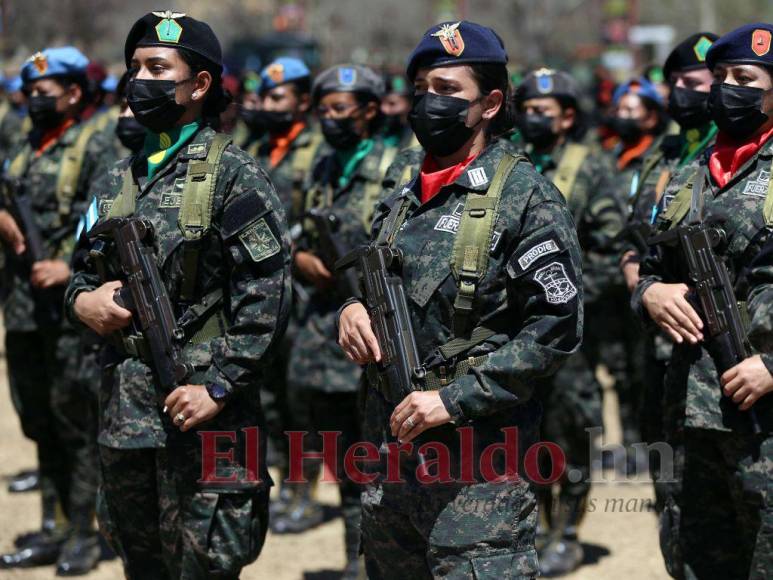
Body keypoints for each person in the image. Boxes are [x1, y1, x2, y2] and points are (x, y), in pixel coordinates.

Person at [338, 21, 583, 579]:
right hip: (390, 463)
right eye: (422, 86)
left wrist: (453, 400)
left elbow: (556, 329)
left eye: (448, 89)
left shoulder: (526, 196)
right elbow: (381, 280)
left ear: (491, 102)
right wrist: (352, 310)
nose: (430, 101)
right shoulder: (402, 184)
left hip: (478, 484)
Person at [64, 12, 291, 579]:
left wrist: (219, 385)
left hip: (205, 415)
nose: (139, 79)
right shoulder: (117, 178)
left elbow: (267, 296)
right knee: (141, 564)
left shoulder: (234, 176)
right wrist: (82, 303)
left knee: (205, 566)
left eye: (157, 68)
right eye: (134, 67)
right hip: (127, 413)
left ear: (199, 85)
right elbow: (79, 272)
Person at [633, 22, 773, 579]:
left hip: (765, 420)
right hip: (694, 412)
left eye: (744, 78)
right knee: (698, 561)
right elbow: (650, 266)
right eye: (719, 77)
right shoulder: (689, 176)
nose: (725, 89)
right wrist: (652, 294)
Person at [0, 46, 110, 575]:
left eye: (50, 89)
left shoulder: (96, 143)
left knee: (76, 423)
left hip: (70, 308)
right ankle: (54, 525)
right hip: (24, 308)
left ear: (73, 93)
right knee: (39, 418)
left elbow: (108, 215)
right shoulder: (25, 145)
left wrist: (71, 267)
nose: (37, 97)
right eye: (32, 90)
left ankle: (84, 533)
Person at [514, 67, 621, 576]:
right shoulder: (510, 165)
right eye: (528, 110)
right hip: (516, 332)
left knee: (571, 431)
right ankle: (534, 526)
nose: (534, 119)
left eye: (544, 112)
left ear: (567, 117)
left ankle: (569, 531)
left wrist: (572, 297)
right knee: (526, 434)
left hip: (572, 333)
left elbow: (612, 245)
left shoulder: (589, 167)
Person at [284, 62, 389, 579]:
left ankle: (375, 559)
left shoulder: (395, 163)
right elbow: (298, 230)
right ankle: (356, 560)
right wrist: (302, 257)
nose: (329, 118)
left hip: (377, 332)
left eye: (340, 109)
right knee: (346, 460)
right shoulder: (324, 164)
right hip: (325, 332)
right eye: (323, 109)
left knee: (380, 463)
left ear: (370, 110)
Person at [618, 33, 718, 572]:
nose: (683, 92)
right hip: (663, 355)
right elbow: (635, 240)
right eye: (675, 82)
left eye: (695, 83)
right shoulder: (664, 156)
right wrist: (645, 285)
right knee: (673, 496)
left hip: (730, 356)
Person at [246, 56, 325, 530]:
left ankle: (305, 491)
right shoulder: (257, 147)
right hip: (260, 292)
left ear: (300, 101)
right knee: (271, 397)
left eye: (278, 98)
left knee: (302, 401)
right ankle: (283, 482)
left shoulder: (316, 151)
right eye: (264, 97)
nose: (268, 106)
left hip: (303, 295)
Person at [595, 77, 667, 472]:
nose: (623, 117)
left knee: (643, 368)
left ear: (652, 116)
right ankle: (623, 442)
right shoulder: (607, 158)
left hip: (643, 282)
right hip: (606, 283)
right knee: (616, 367)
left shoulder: (661, 162)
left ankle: (647, 445)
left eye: (632, 110)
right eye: (619, 109)